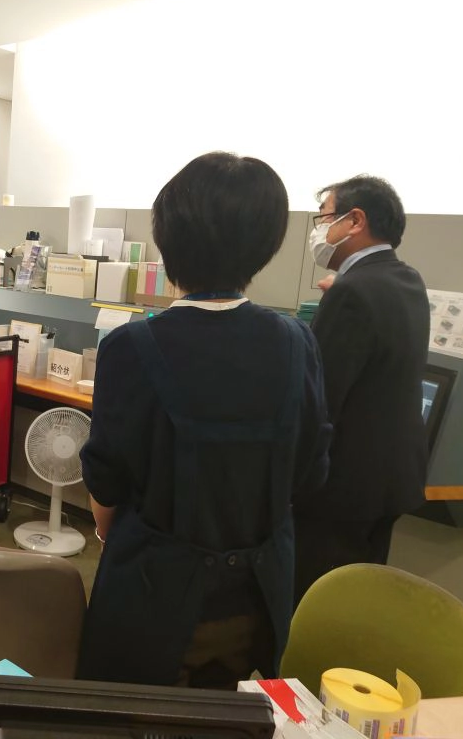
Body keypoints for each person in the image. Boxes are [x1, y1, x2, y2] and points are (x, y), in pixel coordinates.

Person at [76, 152, 331, 689]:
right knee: (232, 710)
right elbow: (310, 474)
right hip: (258, 596)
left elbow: (106, 481)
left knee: (134, 714)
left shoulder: (131, 347)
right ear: (265, 245)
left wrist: (106, 530)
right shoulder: (297, 342)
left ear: (168, 240)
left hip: (155, 594)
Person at [294, 175, 430, 604]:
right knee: (358, 599)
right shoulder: (406, 279)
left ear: (355, 221)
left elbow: (320, 402)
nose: (320, 230)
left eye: (324, 218)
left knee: (315, 602)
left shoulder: (352, 291)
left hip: (342, 491)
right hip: (392, 481)